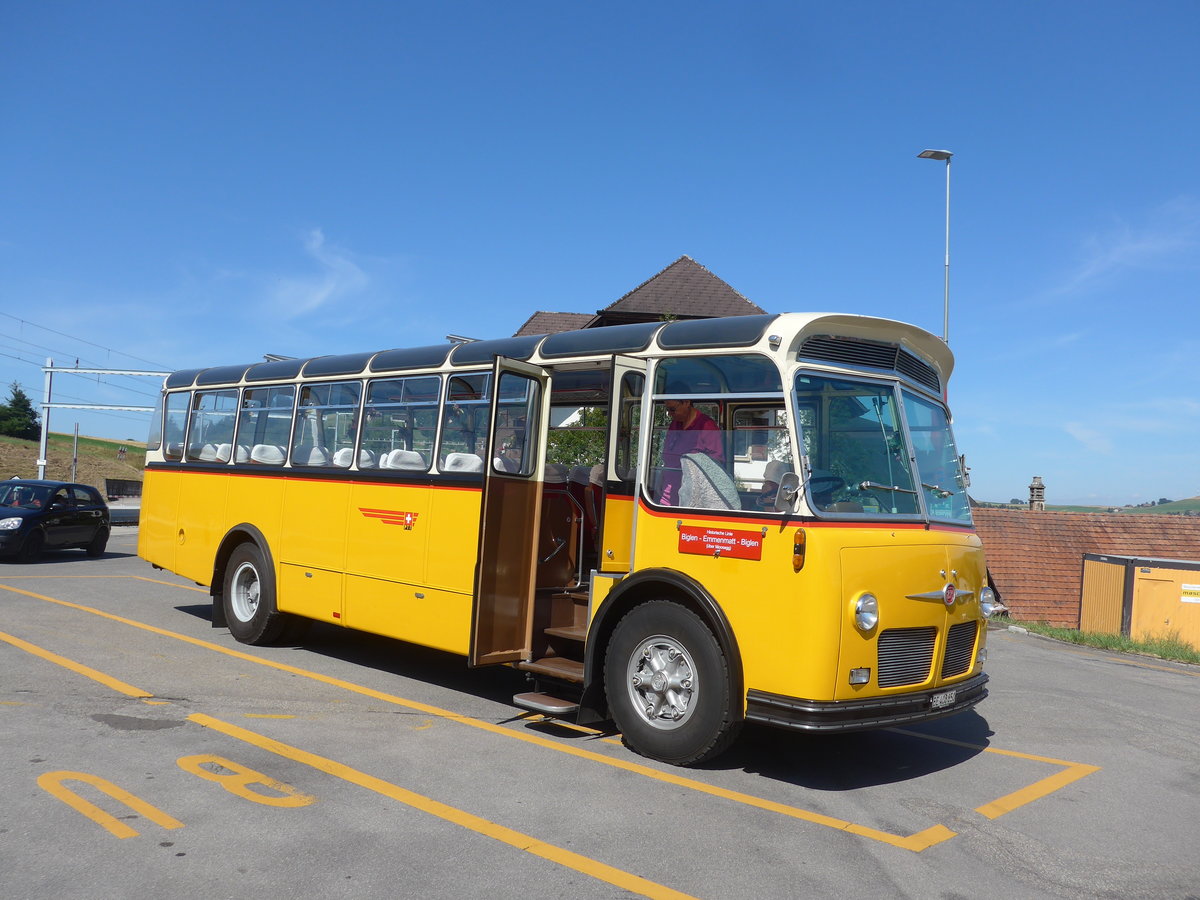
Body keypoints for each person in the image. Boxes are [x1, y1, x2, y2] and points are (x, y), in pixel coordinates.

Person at [658, 393, 723, 505]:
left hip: (691, 500)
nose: (670, 414)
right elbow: (668, 457)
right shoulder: (674, 425)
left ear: (687, 402)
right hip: (667, 496)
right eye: (667, 410)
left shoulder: (706, 426)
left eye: (672, 409)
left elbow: (716, 466)